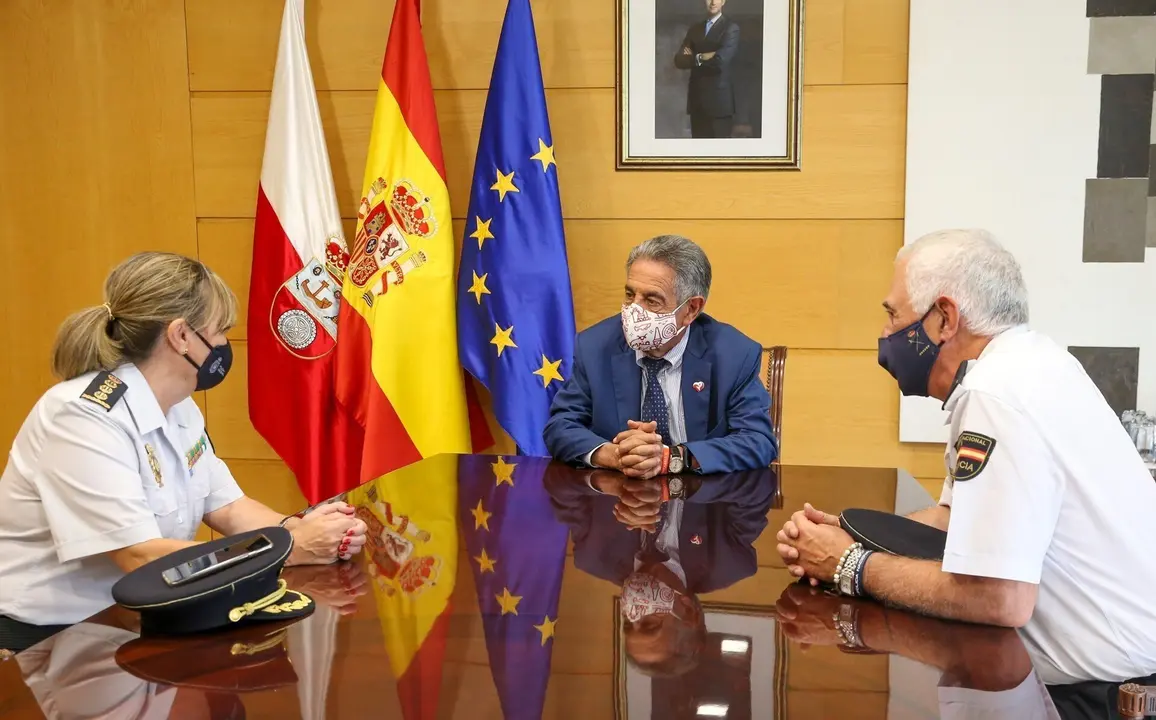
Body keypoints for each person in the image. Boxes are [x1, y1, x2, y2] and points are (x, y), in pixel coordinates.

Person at [776, 229, 1156, 682]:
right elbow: (955, 520)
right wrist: (849, 535)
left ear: (943, 319)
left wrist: (848, 565)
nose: (885, 333)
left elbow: (997, 598)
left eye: (894, 315)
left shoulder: (995, 395)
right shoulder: (1030, 364)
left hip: (1104, 696)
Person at [0, 252, 368, 646]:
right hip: (50, 641)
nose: (226, 344)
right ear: (180, 336)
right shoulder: (82, 417)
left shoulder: (179, 405)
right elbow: (138, 557)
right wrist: (289, 549)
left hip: (138, 622)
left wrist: (301, 531)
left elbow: (227, 507)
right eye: (220, 330)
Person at [543, 234, 777, 477]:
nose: (635, 312)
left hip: (700, 505)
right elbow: (560, 427)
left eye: (652, 301)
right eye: (630, 295)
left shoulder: (733, 354)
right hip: (615, 501)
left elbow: (758, 441)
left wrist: (671, 458)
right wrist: (614, 455)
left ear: (691, 309)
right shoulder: (595, 346)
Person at [545, 466, 775, 677]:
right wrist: (683, 468)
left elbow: (557, 483)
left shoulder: (594, 556)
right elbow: (759, 486)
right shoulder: (727, 559)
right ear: (688, 612)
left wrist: (609, 471)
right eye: (649, 624)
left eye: (628, 624)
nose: (633, 613)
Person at [672, 0, 739, 139]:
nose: (713, 2)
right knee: (698, 155)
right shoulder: (695, 29)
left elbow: (720, 60)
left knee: (718, 156)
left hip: (719, 105)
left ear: (723, 2)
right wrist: (702, 57)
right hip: (697, 103)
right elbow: (679, 60)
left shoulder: (731, 28)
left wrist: (693, 57)